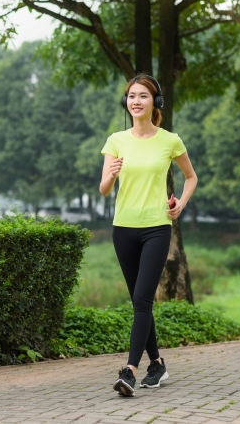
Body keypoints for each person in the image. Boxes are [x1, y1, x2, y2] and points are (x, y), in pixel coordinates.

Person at [99, 74, 198, 397]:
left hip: (156, 227)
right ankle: (157, 363)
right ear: (126, 102)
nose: (136, 101)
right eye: (131, 96)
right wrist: (111, 176)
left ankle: (129, 371)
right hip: (123, 229)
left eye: (143, 95)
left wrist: (180, 204)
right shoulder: (116, 140)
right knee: (139, 302)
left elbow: (190, 177)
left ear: (154, 102)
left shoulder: (170, 140)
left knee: (143, 300)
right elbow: (103, 190)